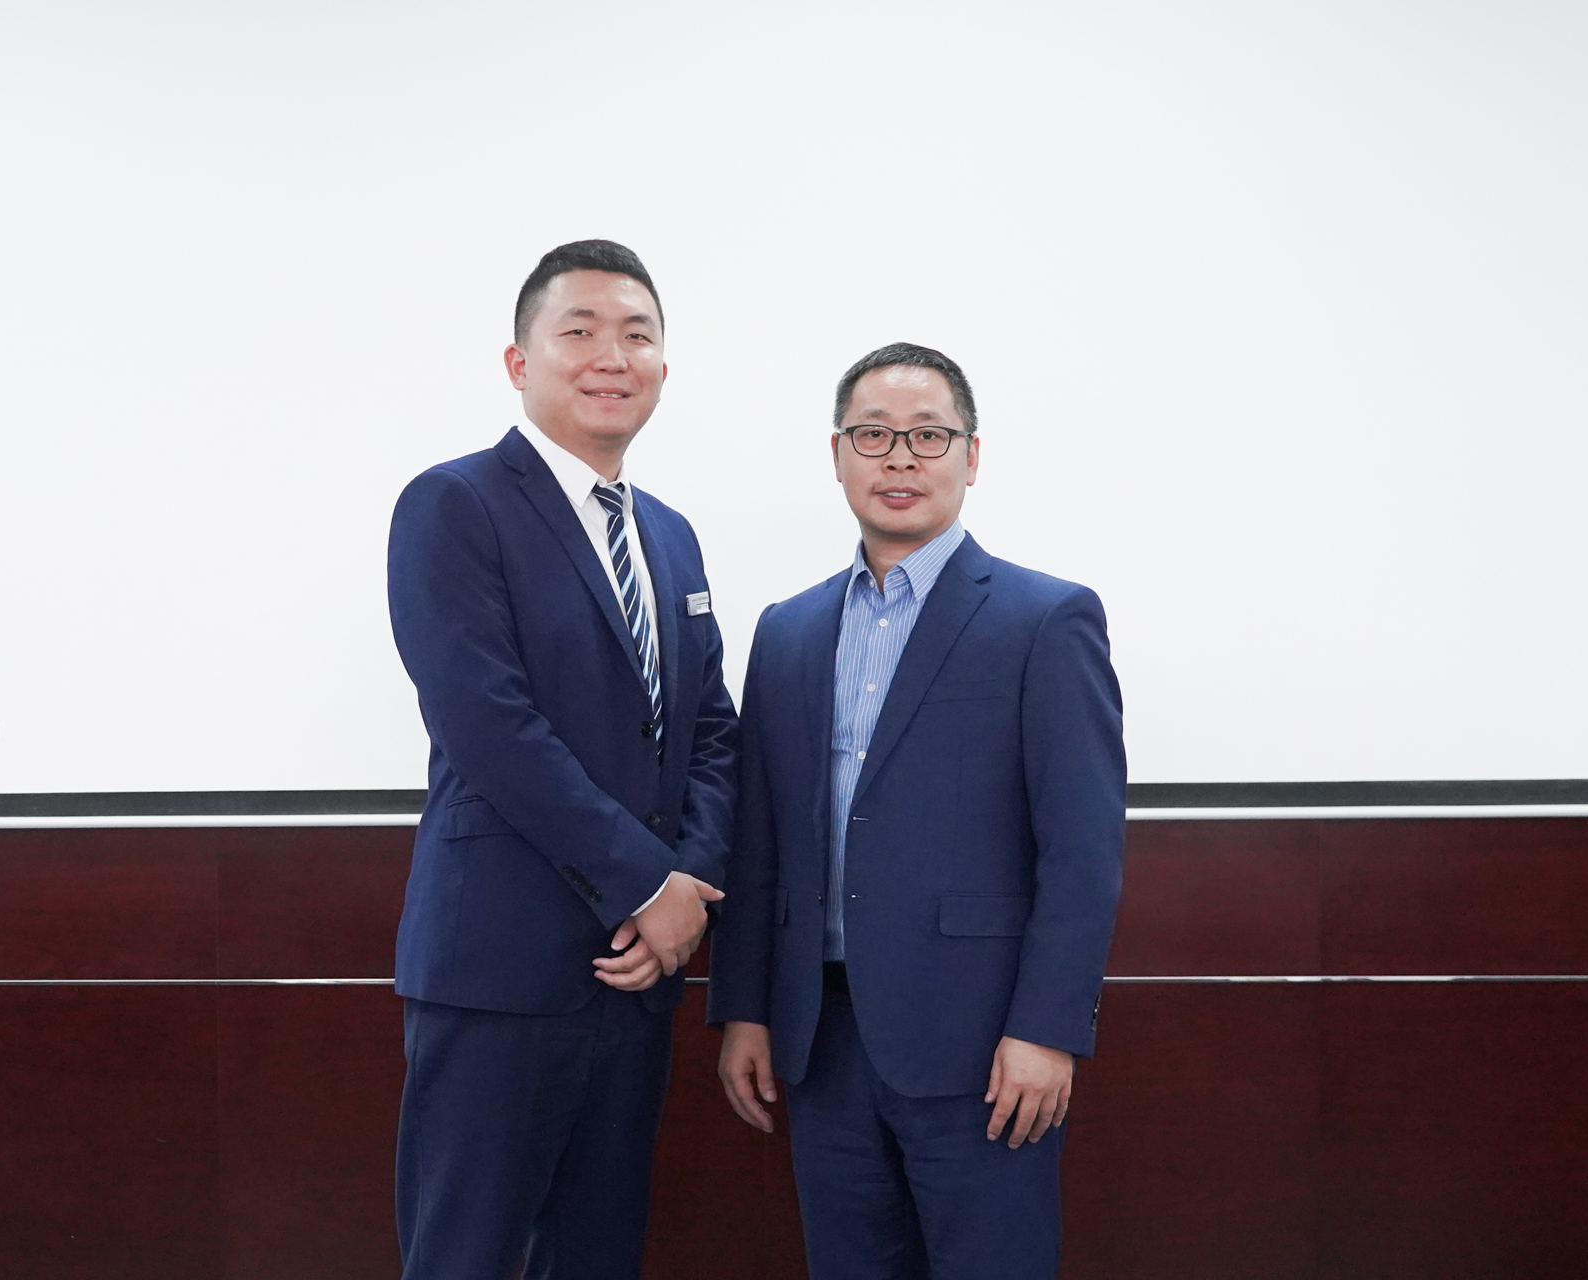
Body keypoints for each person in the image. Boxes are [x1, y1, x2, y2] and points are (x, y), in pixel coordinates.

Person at [708, 342, 1125, 1279]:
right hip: (820, 1041)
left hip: (984, 1046)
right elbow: (760, 840)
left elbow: (1082, 851)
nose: (900, 458)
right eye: (874, 435)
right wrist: (745, 1009)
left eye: (928, 436)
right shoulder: (787, 631)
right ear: (837, 455)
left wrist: (1048, 1028)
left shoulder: (1045, 619)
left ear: (971, 457)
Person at [386, 240, 739, 1280]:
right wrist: (646, 885)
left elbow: (710, 729)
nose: (610, 356)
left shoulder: (670, 535)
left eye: (636, 335)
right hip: (501, 968)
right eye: (578, 331)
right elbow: (489, 725)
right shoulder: (454, 504)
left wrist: (689, 889)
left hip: (639, 976)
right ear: (519, 362)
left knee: (598, 1256)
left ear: (664, 366)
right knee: (467, 1256)